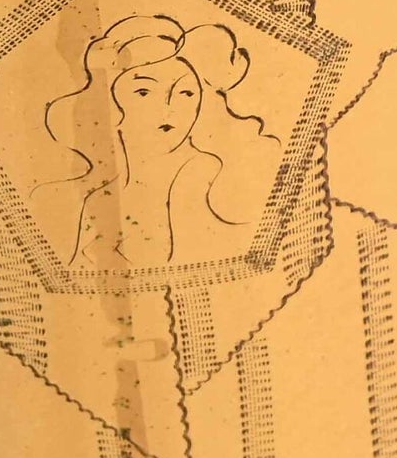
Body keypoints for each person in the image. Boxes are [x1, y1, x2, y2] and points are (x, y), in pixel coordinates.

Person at [37, 15, 281, 270]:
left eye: (186, 92)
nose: (168, 106)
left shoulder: (207, 173)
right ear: (111, 103)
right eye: (144, 91)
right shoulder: (96, 200)